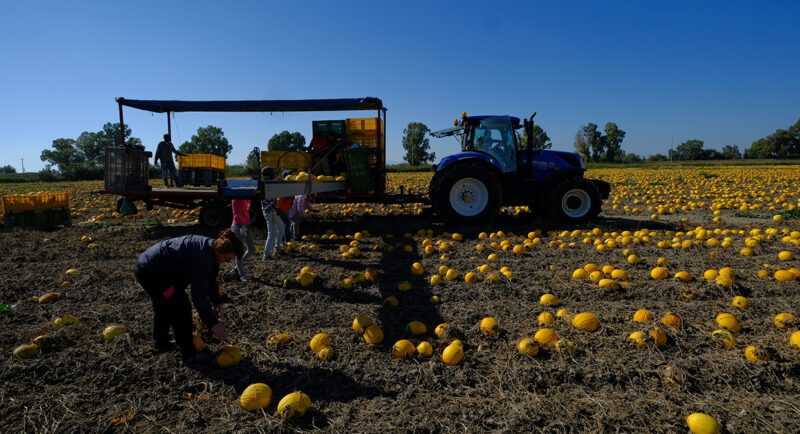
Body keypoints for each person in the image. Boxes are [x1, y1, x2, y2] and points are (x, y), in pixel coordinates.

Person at [134, 229, 244, 364]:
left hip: (163, 271)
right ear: (220, 250)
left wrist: (217, 302)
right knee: (180, 308)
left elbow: (211, 280)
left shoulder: (212, 250)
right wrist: (214, 324)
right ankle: (189, 355)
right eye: (228, 258)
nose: (228, 262)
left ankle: (161, 343)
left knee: (164, 305)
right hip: (152, 273)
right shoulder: (203, 258)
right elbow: (198, 296)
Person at [261, 166, 285, 258]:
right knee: (272, 233)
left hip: (273, 210)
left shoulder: (265, 182)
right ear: (270, 175)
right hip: (270, 212)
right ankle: (266, 254)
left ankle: (277, 247)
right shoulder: (267, 184)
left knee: (281, 227)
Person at [230, 198, 255, 281]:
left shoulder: (247, 197)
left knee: (251, 249)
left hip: (246, 226)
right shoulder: (238, 196)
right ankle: (242, 275)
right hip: (238, 226)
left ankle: (237, 268)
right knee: (239, 252)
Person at [277, 169, 294, 241]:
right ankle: (287, 240)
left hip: (282, 206)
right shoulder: (287, 184)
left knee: (283, 224)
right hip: (283, 207)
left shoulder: (283, 183)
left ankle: (282, 239)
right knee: (286, 223)